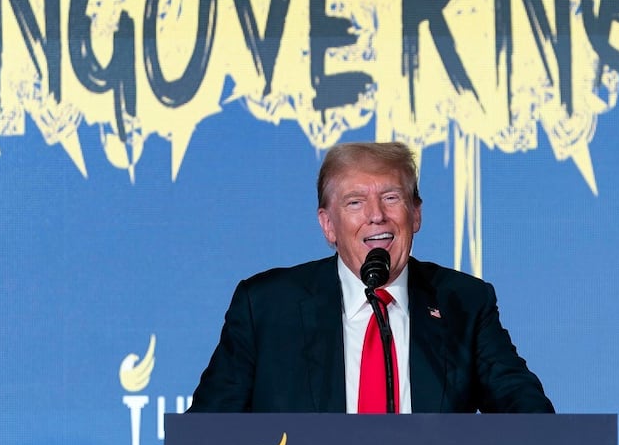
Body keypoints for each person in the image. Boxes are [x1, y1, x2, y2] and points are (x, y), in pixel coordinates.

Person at [188, 141, 554, 413]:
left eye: (391, 198)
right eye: (355, 202)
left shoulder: (464, 303)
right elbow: (205, 440)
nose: (376, 215)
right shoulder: (266, 307)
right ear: (328, 225)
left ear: (416, 215)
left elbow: (529, 416)